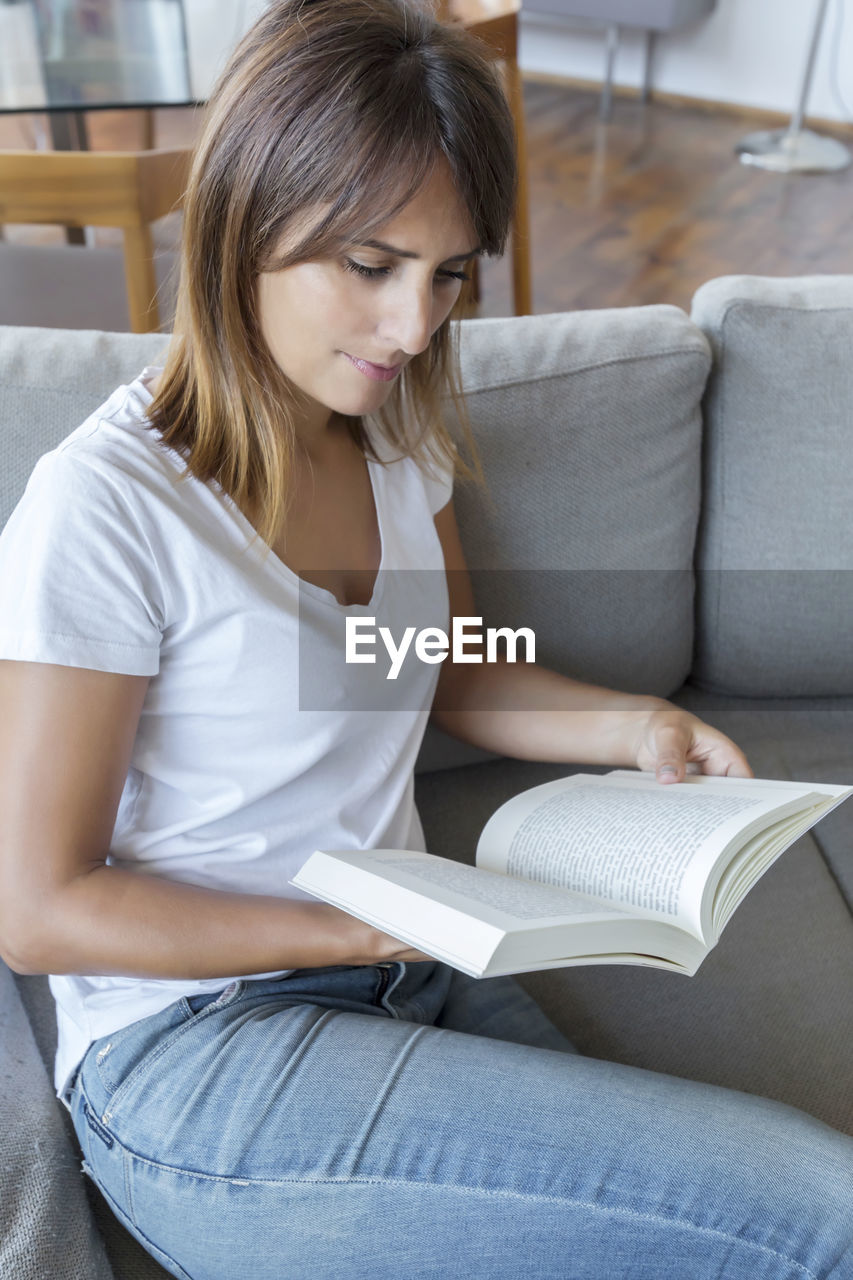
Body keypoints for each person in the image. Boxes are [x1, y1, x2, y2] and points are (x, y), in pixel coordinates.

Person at [0, 1, 850, 1276]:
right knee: (813, 1210)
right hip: (203, 1059)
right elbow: (42, 908)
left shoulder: (391, 434)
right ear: (245, 219)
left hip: (411, 980)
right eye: (370, 263)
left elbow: (441, 661)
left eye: (449, 273)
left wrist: (632, 725)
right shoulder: (107, 505)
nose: (414, 326)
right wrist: (365, 929)